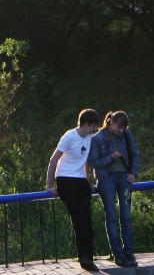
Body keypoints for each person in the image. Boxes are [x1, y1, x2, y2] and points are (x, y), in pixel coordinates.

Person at [46, 108, 102, 272]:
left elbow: (85, 161)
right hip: (65, 179)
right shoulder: (69, 136)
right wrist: (49, 185)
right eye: (94, 126)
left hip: (80, 181)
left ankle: (88, 257)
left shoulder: (89, 137)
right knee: (78, 218)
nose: (95, 129)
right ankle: (84, 258)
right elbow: (53, 160)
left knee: (86, 219)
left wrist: (87, 180)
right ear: (86, 124)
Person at [88, 110, 141, 267]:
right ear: (110, 122)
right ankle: (118, 255)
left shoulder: (126, 135)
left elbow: (135, 153)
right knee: (111, 216)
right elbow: (93, 162)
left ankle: (129, 252)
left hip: (125, 178)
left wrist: (134, 173)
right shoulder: (98, 138)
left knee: (126, 216)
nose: (120, 131)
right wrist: (110, 157)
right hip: (106, 179)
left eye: (123, 128)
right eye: (118, 127)